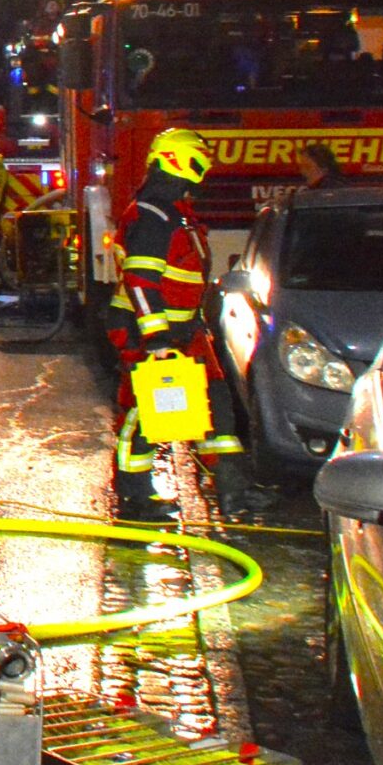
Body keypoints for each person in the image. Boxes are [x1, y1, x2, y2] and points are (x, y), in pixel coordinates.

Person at [108, 127, 253, 519]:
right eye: (200, 159)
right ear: (179, 160)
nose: (205, 168)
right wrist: (156, 339)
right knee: (143, 414)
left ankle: (233, 490)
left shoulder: (174, 214)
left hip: (184, 330)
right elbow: (140, 281)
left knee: (218, 405)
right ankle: (135, 498)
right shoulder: (154, 215)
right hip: (150, 332)